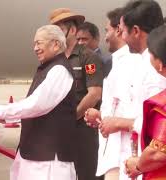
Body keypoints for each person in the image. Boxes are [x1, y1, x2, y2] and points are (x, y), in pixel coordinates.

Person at [0, 25, 77, 180]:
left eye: (39, 43)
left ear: (55, 44)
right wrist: (6, 117)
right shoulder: (47, 68)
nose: (35, 48)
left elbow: (37, 105)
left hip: (49, 161)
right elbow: (33, 106)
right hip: (35, 154)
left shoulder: (59, 70)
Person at [86, 0, 166, 179]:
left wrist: (122, 123)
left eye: (122, 31)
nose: (121, 37)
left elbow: (158, 120)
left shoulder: (155, 67)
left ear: (136, 31)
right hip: (134, 158)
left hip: (149, 163)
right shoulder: (138, 61)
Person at [84, 7, 142, 180]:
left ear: (119, 30)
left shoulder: (136, 62)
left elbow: (142, 113)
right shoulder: (118, 61)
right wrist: (102, 117)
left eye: (107, 30)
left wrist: (115, 122)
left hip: (129, 156)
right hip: (115, 155)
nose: (106, 36)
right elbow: (122, 109)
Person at [49, 8, 104, 180]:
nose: (55, 34)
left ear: (72, 30)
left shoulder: (87, 58)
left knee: (86, 174)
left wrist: (71, 118)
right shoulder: (54, 59)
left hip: (83, 131)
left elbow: (94, 94)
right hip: (59, 131)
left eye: (60, 29)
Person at [125, 25, 166, 180]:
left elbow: (158, 153)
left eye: (151, 54)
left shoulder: (162, 105)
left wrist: (137, 166)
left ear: (160, 64)